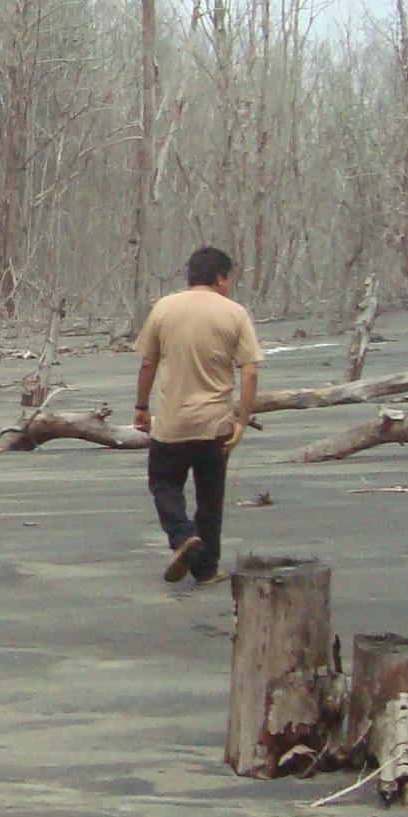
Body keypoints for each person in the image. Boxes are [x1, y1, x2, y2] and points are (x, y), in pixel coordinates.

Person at [133, 245, 262, 585]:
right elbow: (249, 371)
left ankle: (181, 535)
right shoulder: (234, 313)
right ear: (219, 277)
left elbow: (147, 362)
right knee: (210, 497)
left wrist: (141, 407)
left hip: (172, 422)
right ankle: (205, 569)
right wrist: (242, 420)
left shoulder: (164, 308)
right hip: (214, 423)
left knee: (164, 483)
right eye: (228, 278)